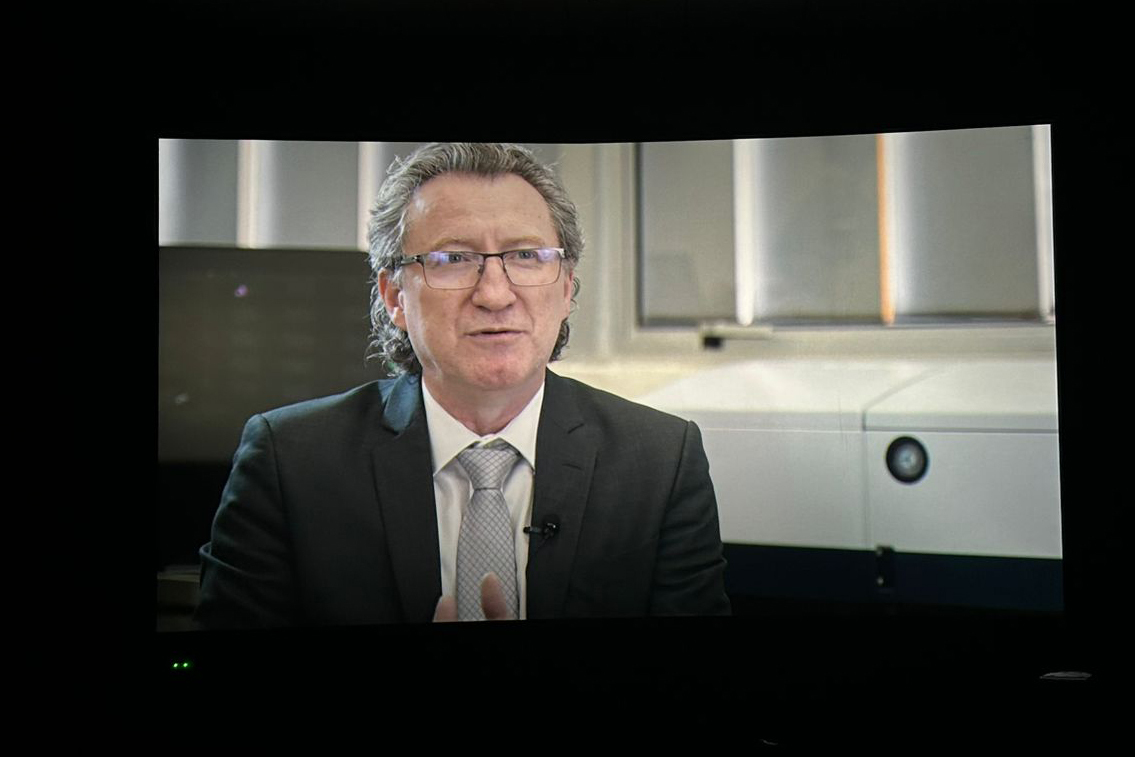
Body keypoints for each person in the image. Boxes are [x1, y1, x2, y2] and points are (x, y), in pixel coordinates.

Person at [195, 142, 730, 627]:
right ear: (395, 296)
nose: (494, 295)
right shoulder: (288, 461)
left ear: (567, 287)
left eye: (526, 256)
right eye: (453, 259)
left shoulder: (661, 462)